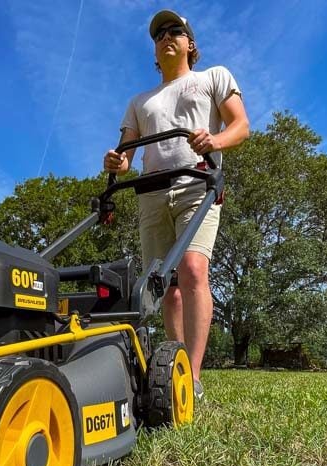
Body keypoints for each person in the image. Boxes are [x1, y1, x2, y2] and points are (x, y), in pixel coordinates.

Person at [103, 9, 249, 400]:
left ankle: (193, 379)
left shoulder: (213, 77)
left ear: (190, 43)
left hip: (197, 185)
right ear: (154, 50)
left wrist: (214, 142)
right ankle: (174, 366)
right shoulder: (139, 101)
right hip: (151, 193)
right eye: (159, 35)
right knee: (165, 286)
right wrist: (117, 161)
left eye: (175, 31)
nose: (166, 37)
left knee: (193, 269)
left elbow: (241, 126)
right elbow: (127, 153)